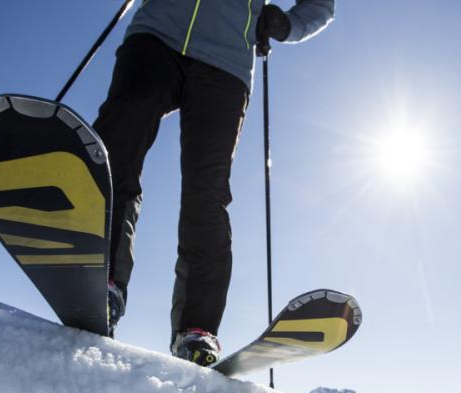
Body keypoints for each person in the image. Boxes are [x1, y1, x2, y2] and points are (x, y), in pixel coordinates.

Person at [94, 0, 334, 365]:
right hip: (157, 33)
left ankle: (196, 329)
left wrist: (290, 24)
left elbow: (321, 4)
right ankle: (101, 282)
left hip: (227, 59)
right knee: (118, 144)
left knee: (206, 191)